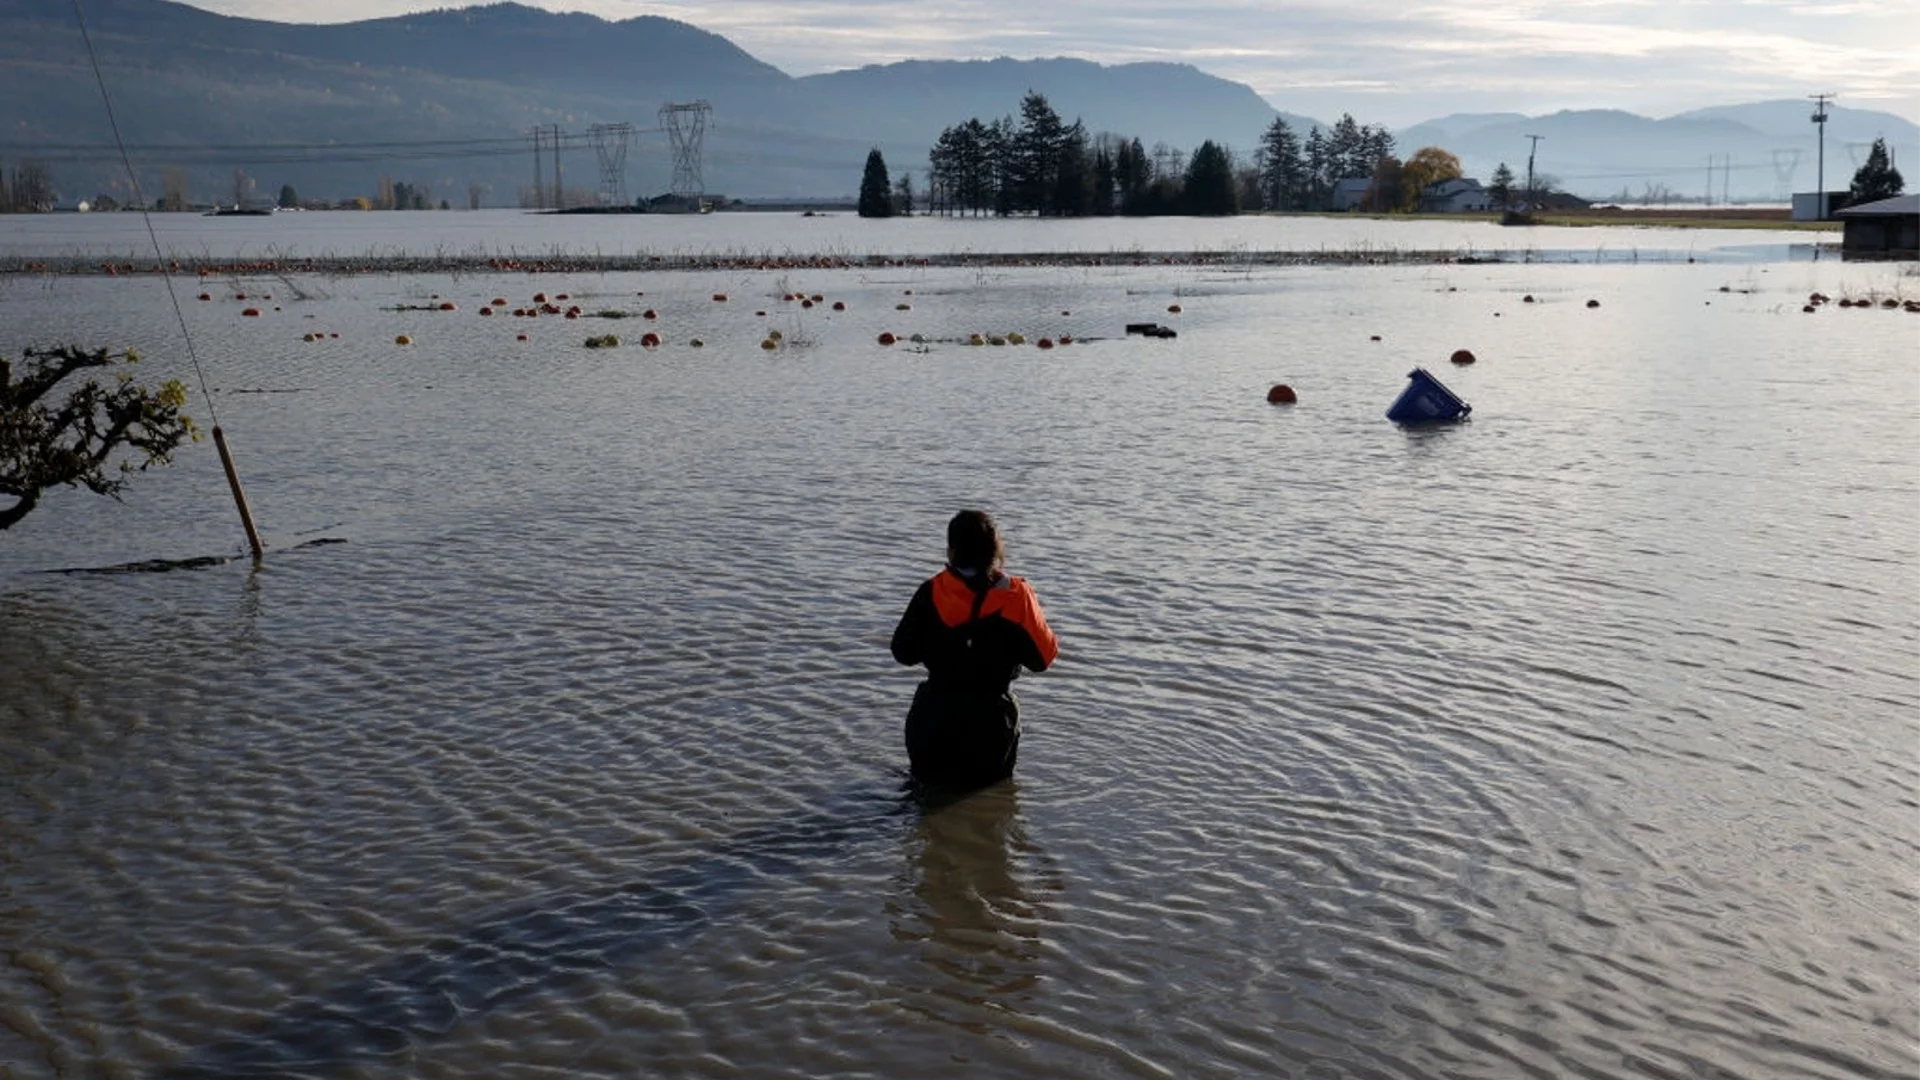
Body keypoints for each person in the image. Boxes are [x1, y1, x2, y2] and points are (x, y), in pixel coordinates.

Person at [891, 510, 1058, 791]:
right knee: (986, 812)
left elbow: (902, 653)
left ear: (951, 550)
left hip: (933, 718)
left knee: (923, 799)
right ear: (996, 550)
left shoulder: (931, 591)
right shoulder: (1017, 597)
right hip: (990, 725)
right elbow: (1043, 658)